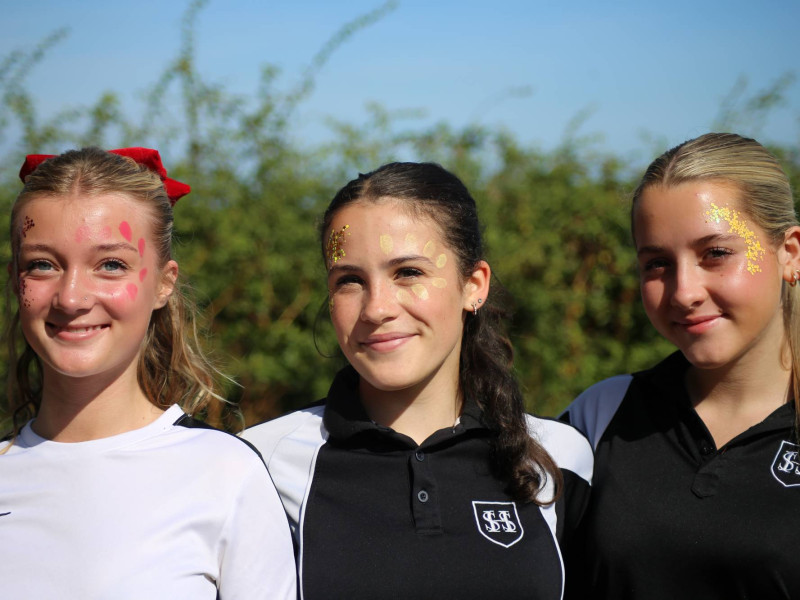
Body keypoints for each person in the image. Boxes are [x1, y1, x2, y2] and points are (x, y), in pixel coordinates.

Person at [243, 161, 593, 599]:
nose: (377, 308)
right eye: (350, 280)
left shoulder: (559, 458)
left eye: (408, 272)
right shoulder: (261, 466)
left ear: (474, 285)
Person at [0, 147, 296, 599]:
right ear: (14, 279)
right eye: (43, 265)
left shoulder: (225, 474)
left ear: (163, 283)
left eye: (110, 265)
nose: (71, 298)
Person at [561, 133, 800, 599]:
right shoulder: (601, 417)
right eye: (657, 263)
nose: (684, 292)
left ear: (789, 253)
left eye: (716, 253)